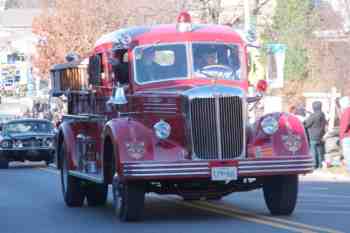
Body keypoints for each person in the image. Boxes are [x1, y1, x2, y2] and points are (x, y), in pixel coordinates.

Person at [304, 101, 327, 169]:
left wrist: (305, 121)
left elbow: (307, 125)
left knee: (313, 150)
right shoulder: (322, 114)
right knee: (319, 151)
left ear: (314, 107)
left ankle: (314, 165)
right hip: (321, 135)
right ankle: (320, 164)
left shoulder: (313, 115)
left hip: (313, 135)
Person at [339, 96, 350, 172]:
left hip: (347, 135)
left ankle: (349, 168)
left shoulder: (347, 111)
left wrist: (342, 134)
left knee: (347, 153)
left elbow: (345, 123)